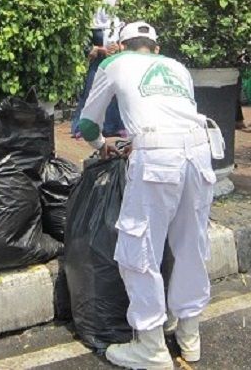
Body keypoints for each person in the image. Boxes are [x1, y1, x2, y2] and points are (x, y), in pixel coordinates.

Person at [79, 21, 216, 370]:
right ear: (155, 48)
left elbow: (89, 123)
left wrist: (102, 147)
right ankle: (190, 338)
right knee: (190, 246)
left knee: (138, 249)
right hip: (201, 152)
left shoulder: (113, 63)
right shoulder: (177, 67)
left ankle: (151, 347)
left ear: (122, 45)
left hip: (157, 157)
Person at [71, 0, 125, 139]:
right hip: (98, 64)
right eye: (115, 4)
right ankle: (81, 127)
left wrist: (118, 48)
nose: (117, 8)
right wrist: (102, 49)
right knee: (90, 93)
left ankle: (112, 127)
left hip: (114, 63)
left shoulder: (118, 24)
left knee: (114, 94)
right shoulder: (93, 25)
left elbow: (123, 43)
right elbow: (86, 46)